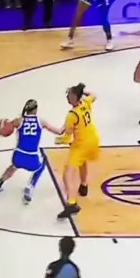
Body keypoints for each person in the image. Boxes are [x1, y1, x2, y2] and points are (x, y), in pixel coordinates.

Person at [0, 98, 60, 204]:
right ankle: (30, 188)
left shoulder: (18, 120)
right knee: (42, 165)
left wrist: (4, 126)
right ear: (36, 109)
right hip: (32, 158)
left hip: (18, 156)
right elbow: (58, 131)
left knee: (13, 167)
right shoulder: (41, 121)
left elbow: (6, 127)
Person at [54, 83, 100, 220]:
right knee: (83, 161)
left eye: (70, 95)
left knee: (67, 175)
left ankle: (72, 204)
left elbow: (67, 137)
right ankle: (84, 185)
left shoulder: (71, 115)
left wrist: (59, 140)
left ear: (75, 97)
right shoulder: (85, 102)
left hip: (81, 144)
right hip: (93, 139)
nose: (67, 97)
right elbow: (94, 95)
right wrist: (82, 92)